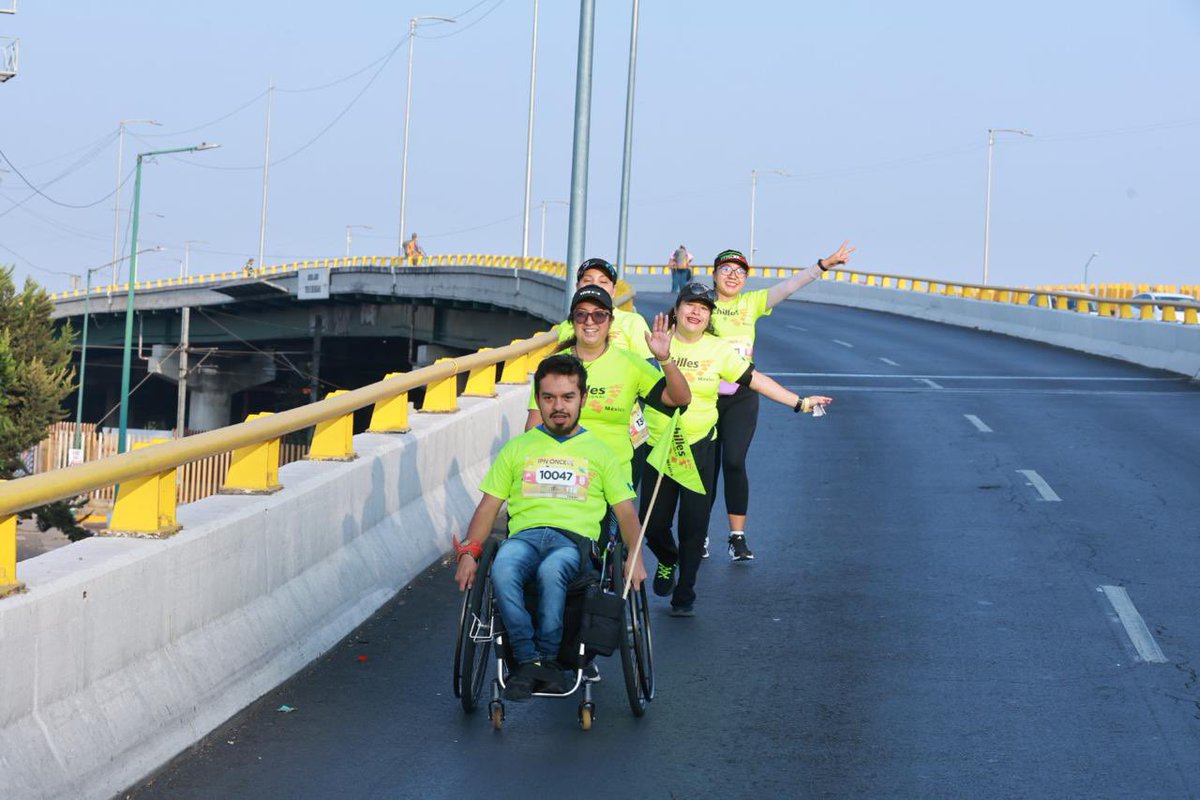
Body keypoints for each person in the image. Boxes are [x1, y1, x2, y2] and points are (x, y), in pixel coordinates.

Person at [454, 354, 647, 700]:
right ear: (538, 399)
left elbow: (627, 512)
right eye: (549, 398)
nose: (559, 406)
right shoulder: (518, 449)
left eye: (568, 397)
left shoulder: (601, 453)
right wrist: (470, 552)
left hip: (573, 543)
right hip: (525, 537)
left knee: (551, 570)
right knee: (503, 566)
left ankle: (549, 657)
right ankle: (530, 660)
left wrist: (636, 556)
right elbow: (488, 507)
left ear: (583, 399)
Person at [640, 282, 832, 617]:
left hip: (698, 448)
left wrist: (799, 402)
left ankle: (684, 593)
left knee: (693, 524)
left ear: (710, 315)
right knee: (652, 524)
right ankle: (666, 558)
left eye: (704, 307)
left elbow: (757, 381)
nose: (696, 311)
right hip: (659, 449)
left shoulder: (718, 350)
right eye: (690, 304)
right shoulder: (655, 342)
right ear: (677, 308)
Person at [708, 243, 854, 561]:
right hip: (703, 397)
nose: (732, 276)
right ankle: (697, 534)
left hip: (742, 395)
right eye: (725, 270)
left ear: (745, 279)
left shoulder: (752, 303)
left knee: (733, 462)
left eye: (739, 272)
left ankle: (737, 537)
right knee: (705, 468)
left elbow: (790, 286)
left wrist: (823, 265)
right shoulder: (701, 304)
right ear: (714, 274)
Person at [528, 285, 691, 488]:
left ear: (610, 321)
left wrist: (665, 359)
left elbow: (680, 399)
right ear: (572, 321)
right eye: (581, 315)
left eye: (599, 315)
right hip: (566, 477)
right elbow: (534, 427)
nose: (590, 321)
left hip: (614, 479)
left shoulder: (630, 364)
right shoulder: (552, 365)